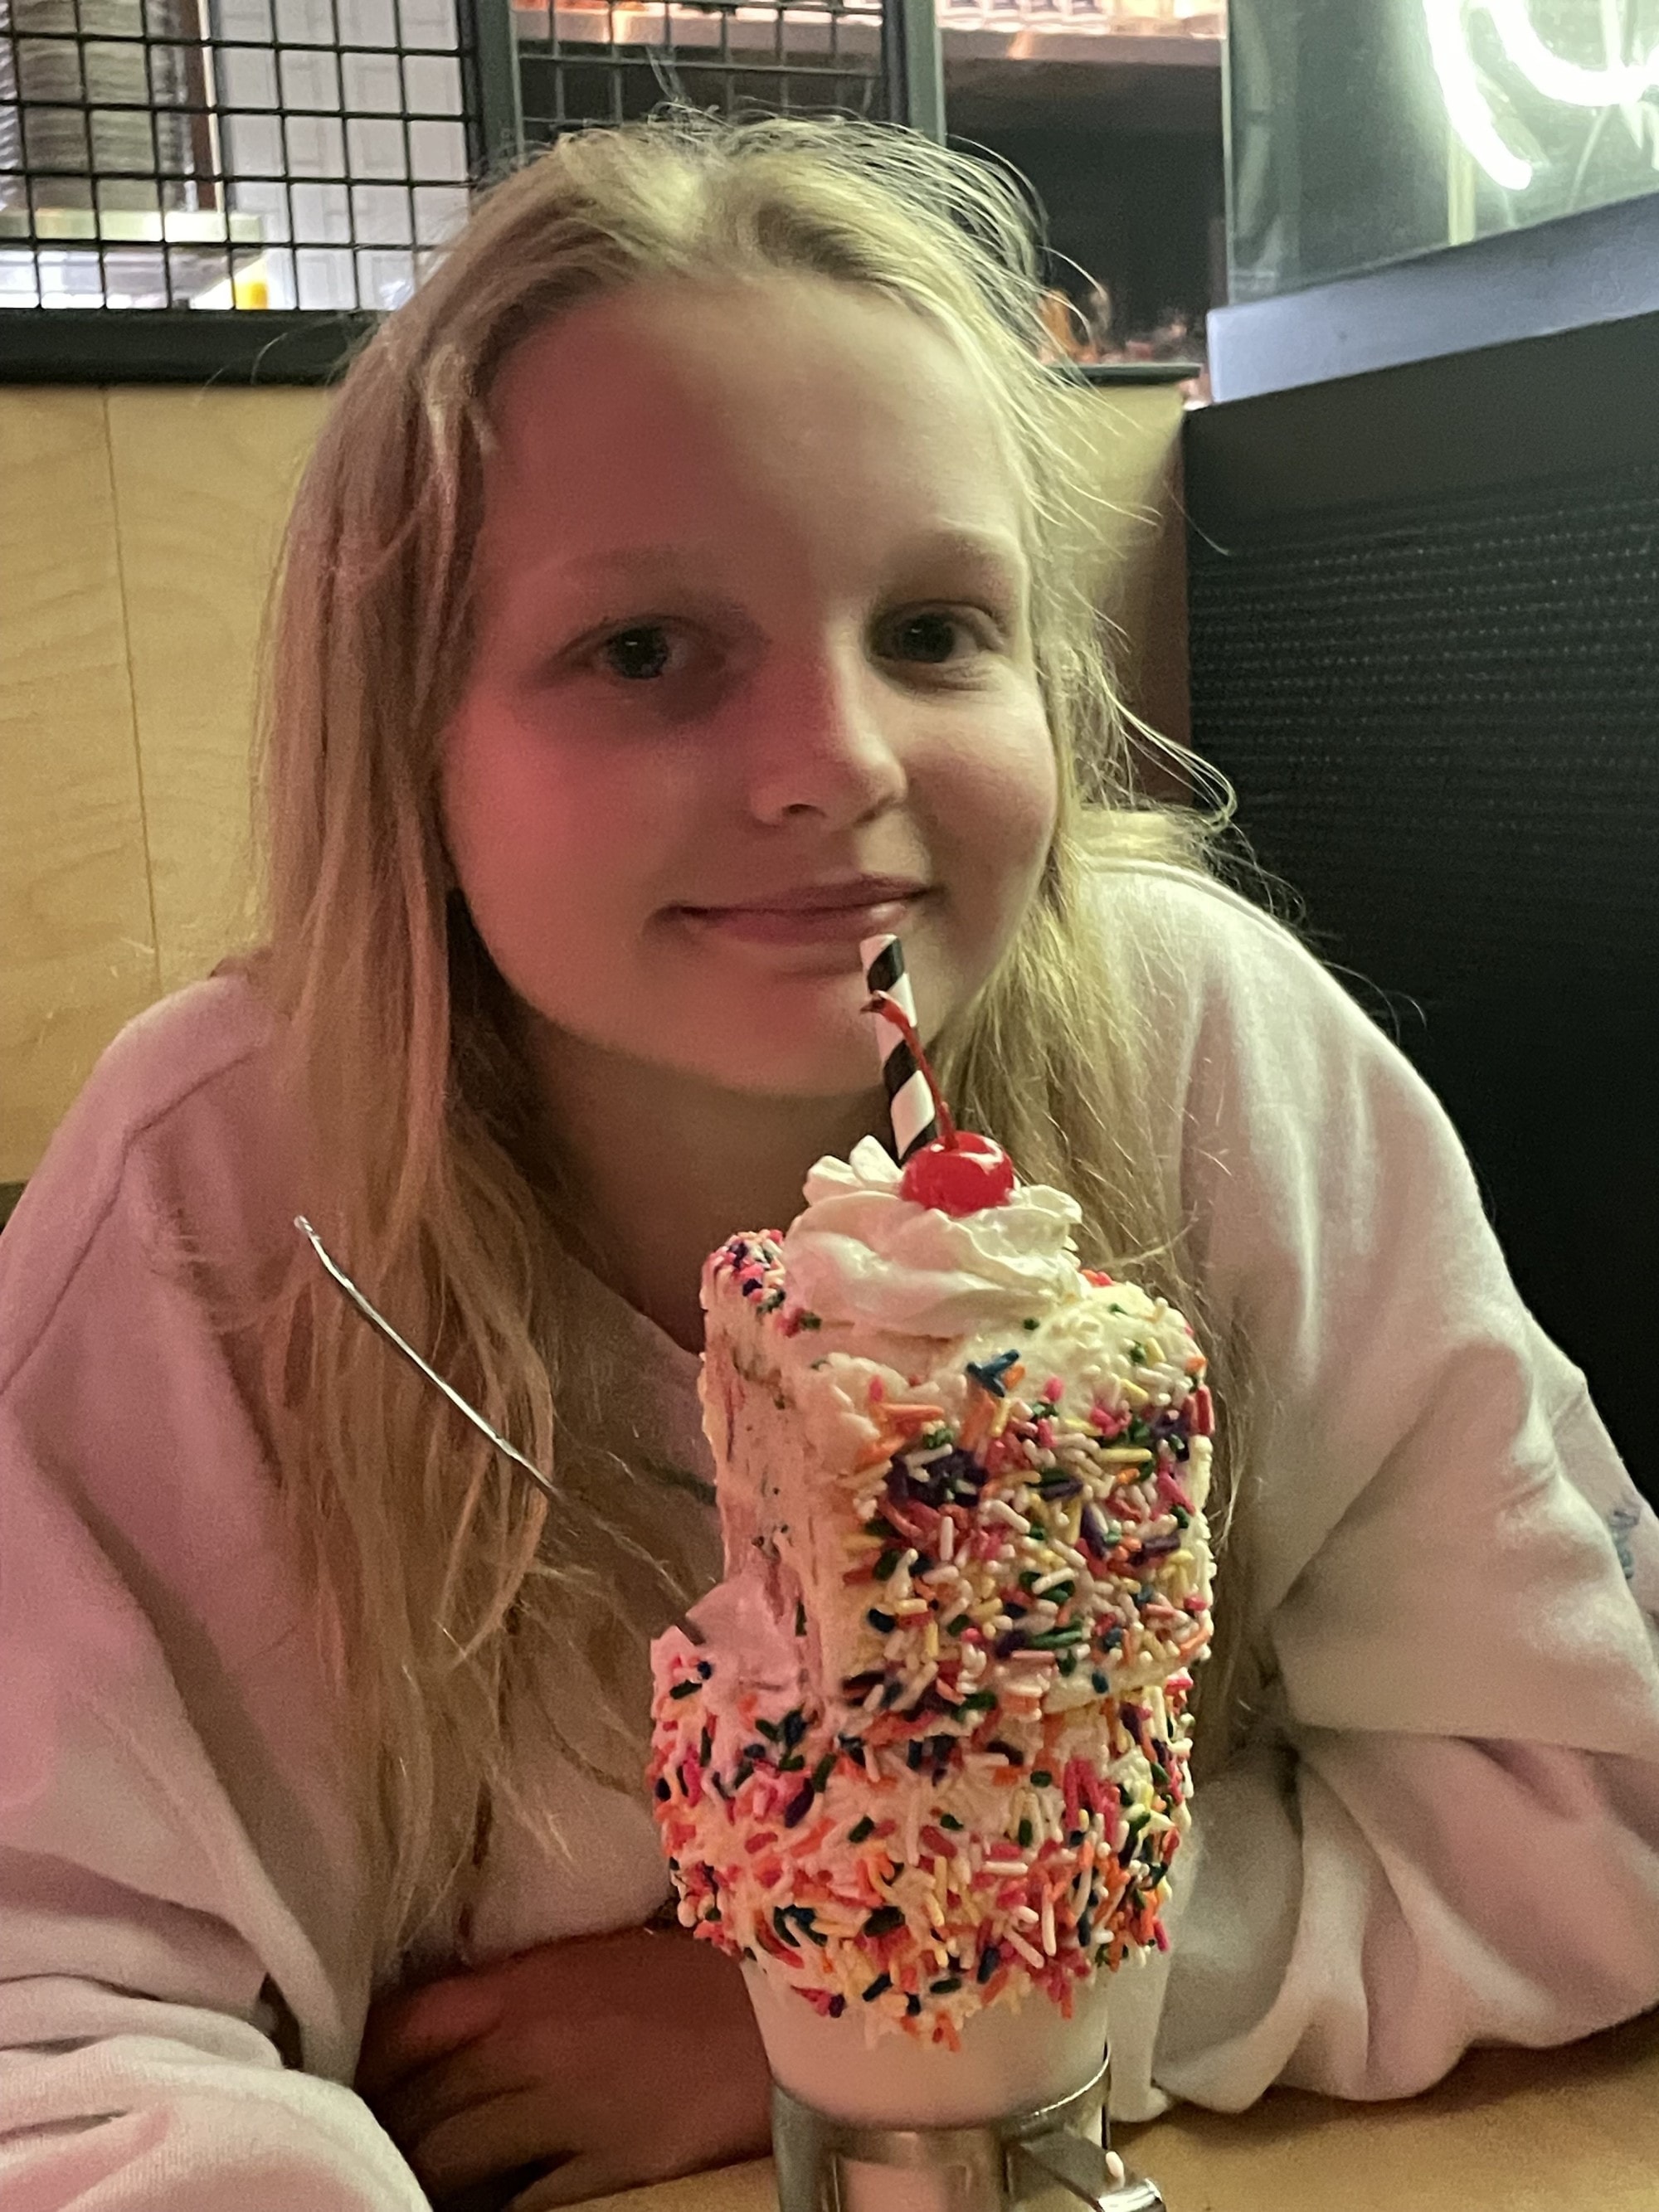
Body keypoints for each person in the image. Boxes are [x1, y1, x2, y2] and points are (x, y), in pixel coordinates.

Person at [2, 109, 1657, 2212]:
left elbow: (1590, 1801)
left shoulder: (1211, 1064)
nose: (840, 764)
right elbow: (52, 2024)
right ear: (409, 736)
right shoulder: (215, 1197)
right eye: (644, 651)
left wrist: (891, 2011)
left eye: (935, 631)